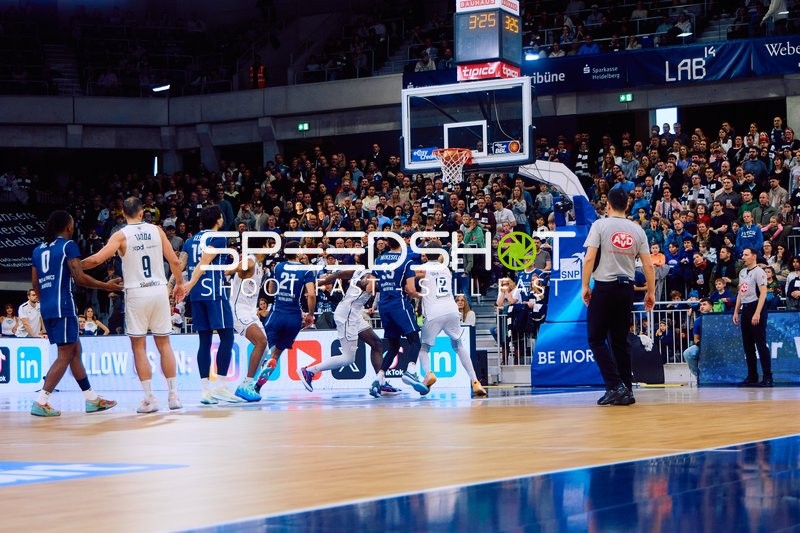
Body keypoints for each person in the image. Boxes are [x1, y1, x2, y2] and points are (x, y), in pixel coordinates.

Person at [82, 197, 186, 413]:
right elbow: (175, 262)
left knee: (139, 347)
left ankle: (149, 398)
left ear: (123, 213)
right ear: (141, 212)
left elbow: (97, 260)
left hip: (136, 292)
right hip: (158, 289)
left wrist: (74, 266)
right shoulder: (157, 231)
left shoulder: (120, 235)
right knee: (164, 344)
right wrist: (179, 285)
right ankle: (174, 395)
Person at [30, 210, 121, 417]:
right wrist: (106, 286)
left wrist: (48, 303)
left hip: (47, 306)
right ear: (69, 227)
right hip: (63, 305)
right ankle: (41, 400)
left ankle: (92, 399)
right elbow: (79, 278)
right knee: (65, 354)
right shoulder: (68, 246)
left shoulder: (37, 250)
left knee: (74, 351)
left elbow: (35, 285)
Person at [582, 187, 655, 406]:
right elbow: (648, 264)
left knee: (596, 338)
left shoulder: (600, 225)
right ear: (628, 205)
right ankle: (627, 390)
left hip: (605, 287)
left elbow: (588, 259)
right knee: (619, 341)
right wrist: (650, 292)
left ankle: (615, 386)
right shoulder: (637, 230)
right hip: (627, 289)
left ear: (608, 205)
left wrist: (585, 285)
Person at [183, 241, 268, 402]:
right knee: (261, 341)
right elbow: (228, 270)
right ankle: (245, 385)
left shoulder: (259, 265)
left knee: (265, 349)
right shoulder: (249, 260)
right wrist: (230, 269)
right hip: (239, 310)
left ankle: (247, 385)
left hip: (251, 310)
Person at [180, 206, 242, 405]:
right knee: (227, 336)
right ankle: (221, 387)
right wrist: (188, 284)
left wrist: (174, 285)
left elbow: (179, 265)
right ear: (218, 219)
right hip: (213, 292)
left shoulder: (189, 241)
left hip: (197, 296)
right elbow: (205, 262)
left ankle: (205, 391)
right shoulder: (218, 237)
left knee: (204, 341)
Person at [411, 242, 487, 397]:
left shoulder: (423, 268)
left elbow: (411, 277)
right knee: (459, 346)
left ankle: (428, 374)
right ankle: (475, 381)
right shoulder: (446, 268)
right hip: (452, 310)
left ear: (425, 254)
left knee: (423, 348)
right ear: (440, 254)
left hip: (434, 311)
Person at [300, 268, 391, 395]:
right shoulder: (369, 279)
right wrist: (392, 284)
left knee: (377, 344)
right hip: (347, 316)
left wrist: (317, 284)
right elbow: (370, 288)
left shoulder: (359, 270)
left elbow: (339, 274)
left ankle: (380, 382)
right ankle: (310, 371)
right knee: (348, 359)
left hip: (354, 314)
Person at [253, 243, 317, 393]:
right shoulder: (306, 269)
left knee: (265, 348)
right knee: (277, 354)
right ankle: (258, 385)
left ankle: (252, 383)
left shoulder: (278, 267)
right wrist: (310, 314)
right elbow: (312, 295)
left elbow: (271, 289)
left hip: (276, 314)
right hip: (293, 317)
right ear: (298, 252)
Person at [373, 236, 427, 396]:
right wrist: (421, 296)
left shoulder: (378, 260)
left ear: (388, 244)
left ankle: (378, 379)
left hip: (384, 304)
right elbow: (410, 290)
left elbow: (373, 285)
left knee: (394, 346)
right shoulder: (406, 261)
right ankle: (410, 371)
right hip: (399, 303)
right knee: (415, 340)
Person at [732, 247, 772, 387]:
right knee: (748, 345)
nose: (743, 257)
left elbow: (763, 293)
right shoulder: (743, 272)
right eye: (743, 254)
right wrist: (736, 311)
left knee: (760, 344)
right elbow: (740, 293)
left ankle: (768, 376)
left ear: (754, 256)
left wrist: (757, 313)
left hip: (756, 307)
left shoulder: (759, 272)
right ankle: (752, 375)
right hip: (746, 308)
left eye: (746, 254)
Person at [682, 298, 713, 384]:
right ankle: (699, 376)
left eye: (704, 304)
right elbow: (696, 339)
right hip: (702, 346)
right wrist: (703, 346)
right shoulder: (698, 321)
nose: (702, 307)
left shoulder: (718, 317)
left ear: (711, 306)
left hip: (717, 346)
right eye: (701, 305)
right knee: (687, 353)